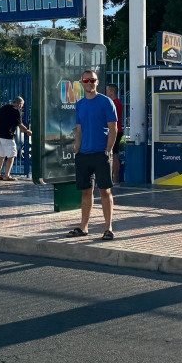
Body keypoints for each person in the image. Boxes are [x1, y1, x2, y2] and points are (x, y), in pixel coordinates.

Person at [67, 70, 118, 241]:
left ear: (97, 82)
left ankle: (108, 228)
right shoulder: (80, 104)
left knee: (105, 191)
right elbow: (79, 130)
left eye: (92, 80)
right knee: (86, 192)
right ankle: (84, 227)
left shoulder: (106, 102)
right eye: (86, 80)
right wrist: (77, 149)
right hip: (84, 155)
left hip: (100, 154)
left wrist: (108, 150)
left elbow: (113, 128)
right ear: (82, 82)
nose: (89, 83)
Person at [0, 96, 32, 181]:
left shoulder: (3, 108)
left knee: (1, 155)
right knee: (12, 155)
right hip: (7, 136)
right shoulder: (16, 111)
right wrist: (27, 131)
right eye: (22, 105)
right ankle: (7, 176)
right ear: (19, 104)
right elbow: (20, 125)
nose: (21, 107)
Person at [105, 83, 124, 184]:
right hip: (117, 130)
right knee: (115, 153)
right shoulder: (117, 103)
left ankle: (115, 177)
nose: (106, 93)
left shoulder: (115, 104)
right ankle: (114, 177)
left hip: (115, 131)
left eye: (107, 90)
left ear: (112, 92)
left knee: (114, 154)